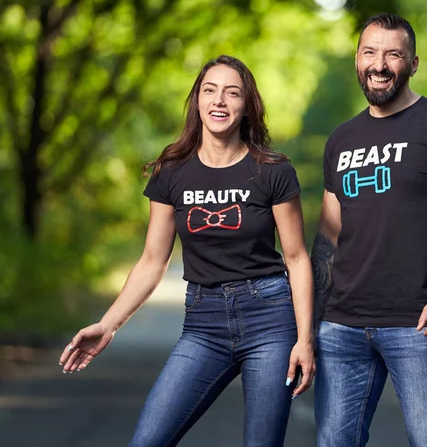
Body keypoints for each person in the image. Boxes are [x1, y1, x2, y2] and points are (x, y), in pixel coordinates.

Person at [58, 55, 315, 447]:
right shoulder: (172, 171)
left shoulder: (272, 170)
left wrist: (304, 339)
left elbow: (296, 259)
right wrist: (108, 325)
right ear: (197, 101)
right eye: (210, 91)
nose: (220, 101)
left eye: (232, 93)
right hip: (204, 324)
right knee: (147, 441)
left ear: (247, 106)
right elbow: (151, 261)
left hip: (269, 320)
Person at [312, 13, 427, 447]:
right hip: (342, 327)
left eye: (393, 54)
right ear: (357, 59)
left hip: (418, 325)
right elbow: (329, 235)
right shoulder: (341, 139)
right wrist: (311, 320)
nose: (380, 64)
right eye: (370, 52)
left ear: (413, 63)